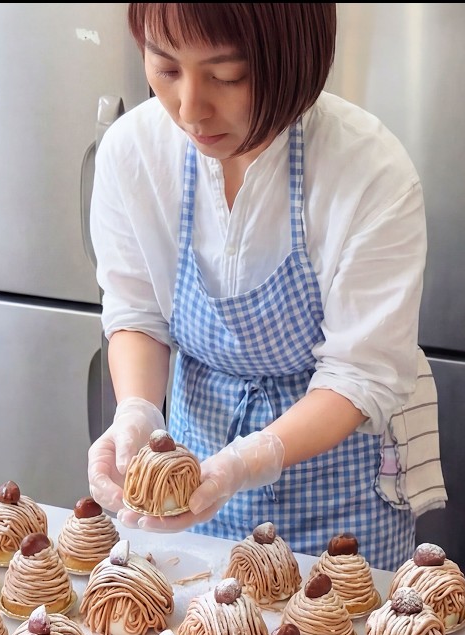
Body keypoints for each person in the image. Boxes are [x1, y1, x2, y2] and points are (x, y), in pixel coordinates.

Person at [87, 3, 432, 570]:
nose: (191, 109)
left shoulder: (367, 170)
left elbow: (358, 374)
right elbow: (138, 314)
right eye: (166, 68)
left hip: (340, 490)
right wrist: (138, 411)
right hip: (196, 466)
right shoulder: (134, 152)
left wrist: (248, 462)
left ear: (294, 60)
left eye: (227, 75)